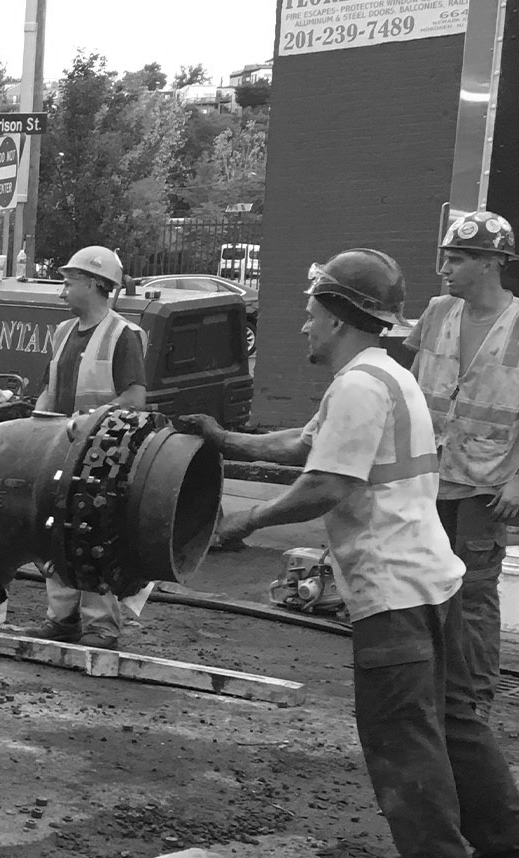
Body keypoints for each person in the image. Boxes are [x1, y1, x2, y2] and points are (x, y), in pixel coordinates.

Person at [174, 248, 519, 857]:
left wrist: (241, 522)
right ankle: (503, 841)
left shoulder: (360, 387)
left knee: (401, 739)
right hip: (433, 583)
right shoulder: (385, 375)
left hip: (393, 594)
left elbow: (327, 484)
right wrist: (225, 440)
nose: (304, 326)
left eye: (311, 314)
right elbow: (306, 444)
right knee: (456, 727)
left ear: (337, 319)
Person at [407, 210, 519, 721]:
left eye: (455, 259)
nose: (444, 269)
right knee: (425, 584)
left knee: (473, 593)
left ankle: (474, 701)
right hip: (428, 476)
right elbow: (412, 388)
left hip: (485, 483)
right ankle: (434, 687)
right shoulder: (437, 313)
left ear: (490, 263)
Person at [15, 245, 147, 650]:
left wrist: (91, 420)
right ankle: (62, 619)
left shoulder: (123, 335)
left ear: (93, 284)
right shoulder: (63, 332)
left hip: (103, 458)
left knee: (95, 537)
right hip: (61, 451)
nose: (62, 291)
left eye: (69, 283)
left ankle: (100, 626)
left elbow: (135, 398)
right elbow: (49, 390)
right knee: (55, 533)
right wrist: (36, 429)